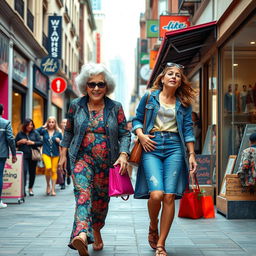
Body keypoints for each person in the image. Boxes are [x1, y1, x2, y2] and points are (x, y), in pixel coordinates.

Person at [58, 63, 131, 256]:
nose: (96, 88)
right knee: (83, 195)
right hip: (81, 159)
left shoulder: (115, 107)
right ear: (85, 86)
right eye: (91, 84)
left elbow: (125, 133)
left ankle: (96, 230)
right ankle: (81, 235)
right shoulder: (76, 105)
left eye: (100, 84)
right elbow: (68, 131)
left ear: (107, 86)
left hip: (108, 163)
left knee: (100, 202)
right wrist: (63, 155)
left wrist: (124, 154)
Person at [133, 62, 197, 256]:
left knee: (169, 196)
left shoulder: (184, 104)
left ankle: (161, 244)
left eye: (177, 75)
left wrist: (192, 154)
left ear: (179, 82)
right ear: (162, 78)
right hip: (151, 145)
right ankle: (154, 224)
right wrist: (141, 135)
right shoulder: (149, 97)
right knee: (157, 195)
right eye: (170, 74)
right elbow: (136, 119)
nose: (174, 77)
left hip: (174, 147)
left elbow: (187, 129)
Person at [15, 118, 43, 196]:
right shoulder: (20, 134)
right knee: (24, 171)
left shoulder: (35, 133)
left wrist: (32, 142)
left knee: (32, 172)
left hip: (33, 155)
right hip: (23, 155)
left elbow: (41, 142)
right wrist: (19, 142)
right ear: (25, 125)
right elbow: (14, 144)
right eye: (28, 125)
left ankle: (30, 189)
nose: (30, 126)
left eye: (31, 124)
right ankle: (23, 189)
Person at [37, 116, 62, 196]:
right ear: (47, 122)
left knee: (54, 170)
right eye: (49, 122)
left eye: (52, 122)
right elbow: (34, 132)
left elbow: (63, 143)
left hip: (55, 154)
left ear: (55, 123)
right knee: (48, 167)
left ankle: (53, 189)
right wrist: (43, 126)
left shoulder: (58, 132)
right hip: (46, 153)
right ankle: (48, 185)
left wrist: (59, 141)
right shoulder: (44, 131)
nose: (51, 123)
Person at [0, 104, 17, 208]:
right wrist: (14, 153)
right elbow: (10, 139)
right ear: (2, 112)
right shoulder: (5, 123)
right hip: (1, 154)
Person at [59, 118, 71, 189]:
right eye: (63, 123)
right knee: (62, 166)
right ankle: (62, 182)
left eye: (66, 123)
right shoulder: (58, 132)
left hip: (68, 152)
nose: (64, 124)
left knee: (68, 168)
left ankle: (68, 175)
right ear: (61, 124)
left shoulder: (70, 132)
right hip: (60, 152)